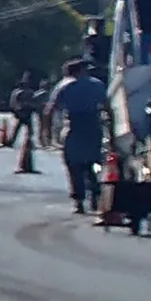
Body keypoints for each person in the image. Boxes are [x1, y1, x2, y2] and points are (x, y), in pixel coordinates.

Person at [47, 59, 109, 213]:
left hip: (73, 126)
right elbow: (108, 108)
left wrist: (46, 133)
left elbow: (50, 110)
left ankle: (79, 200)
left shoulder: (64, 85)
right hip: (93, 126)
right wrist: (112, 133)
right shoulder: (97, 85)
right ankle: (95, 194)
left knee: (74, 165)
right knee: (93, 163)